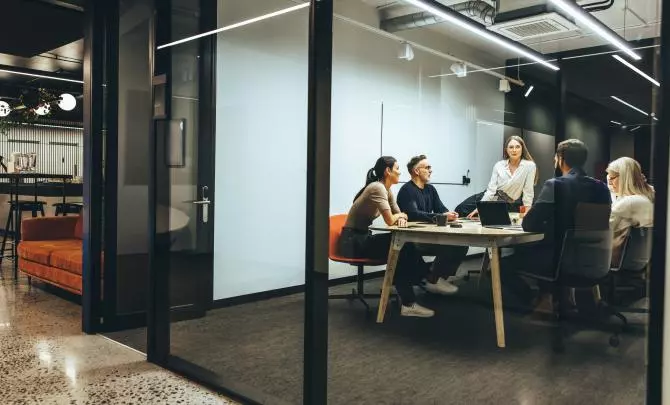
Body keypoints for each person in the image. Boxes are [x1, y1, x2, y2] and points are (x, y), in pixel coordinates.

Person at [500, 139, 611, 306]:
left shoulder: (555, 185)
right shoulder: (602, 188)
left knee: (502, 266)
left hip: (561, 263)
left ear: (560, 158)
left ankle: (534, 301)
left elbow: (529, 224)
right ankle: (552, 298)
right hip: (597, 261)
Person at [338, 156, 434, 318]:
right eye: (397, 168)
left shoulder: (386, 190)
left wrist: (402, 216)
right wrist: (401, 215)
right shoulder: (377, 188)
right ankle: (419, 287)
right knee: (402, 246)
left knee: (404, 244)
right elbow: (391, 220)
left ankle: (420, 282)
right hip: (352, 242)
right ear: (387, 171)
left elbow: (399, 215)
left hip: (361, 238)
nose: (400, 172)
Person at [396, 154, 469, 295]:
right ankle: (432, 280)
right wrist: (440, 217)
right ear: (416, 171)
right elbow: (414, 214)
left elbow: (441, 209)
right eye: (427, 167)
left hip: (429, 236)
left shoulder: (430, 189)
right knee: (450, 247)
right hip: (414, 239)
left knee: (461, 244)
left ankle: (436, 278)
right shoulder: (407, 190)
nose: (431, 170)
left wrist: (450, 215)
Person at [459, 136, 537, 219]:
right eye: (511, 147)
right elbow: (491, 190)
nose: (514, 150)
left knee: (491, 223)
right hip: (488, 197)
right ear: (506, 150)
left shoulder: (529, 166)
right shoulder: (499, 165)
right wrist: (480, 207)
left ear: (522, 149)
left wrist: (527, 212)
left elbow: (528, 192)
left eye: (517, 147)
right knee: (461, 209)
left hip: (505, 203)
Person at [606, 157, 654, 266]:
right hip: (639, 262)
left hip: (616, 261)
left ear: (624, 178)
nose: (609, 182)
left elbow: (605, 231)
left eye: (612, 178)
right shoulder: (646, 198)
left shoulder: (628, 203)